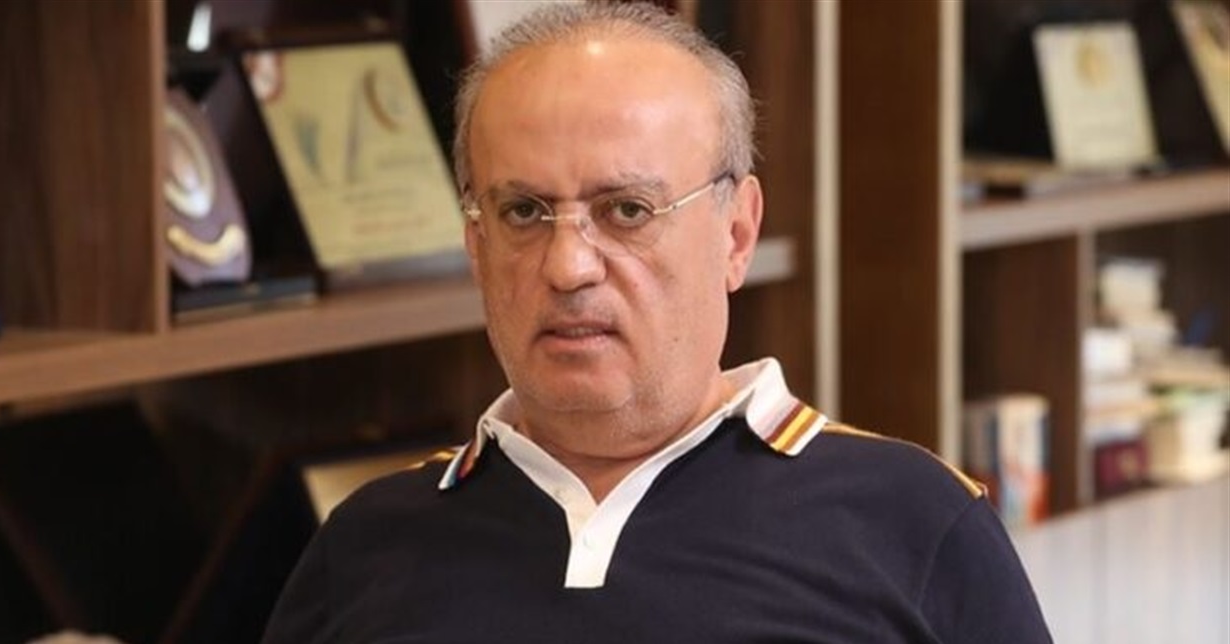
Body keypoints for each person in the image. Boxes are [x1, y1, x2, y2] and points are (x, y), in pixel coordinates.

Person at [262, 3, 1052, 642]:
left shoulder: (912, 523)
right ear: (476, 243)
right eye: (524, 212)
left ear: (736, 234)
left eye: (628, 210)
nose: (569, 266)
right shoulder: (365, 545)